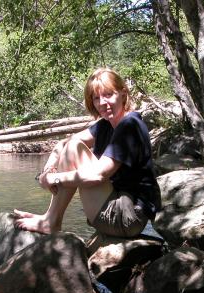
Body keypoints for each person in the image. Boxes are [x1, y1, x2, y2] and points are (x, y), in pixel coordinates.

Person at [13, 67, 161, 238]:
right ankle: (50, 218)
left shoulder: (129, 125)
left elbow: (98, 176)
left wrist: (53, 178)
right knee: (73, 145)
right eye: (96, 98)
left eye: (108, 95)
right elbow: (64, 144)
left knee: (75, 150)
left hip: (128, 217)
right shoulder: (106, 123)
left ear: (123, 93)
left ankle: (51, 221)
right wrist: (48, 169)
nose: (102, 103)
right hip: (118, 204)